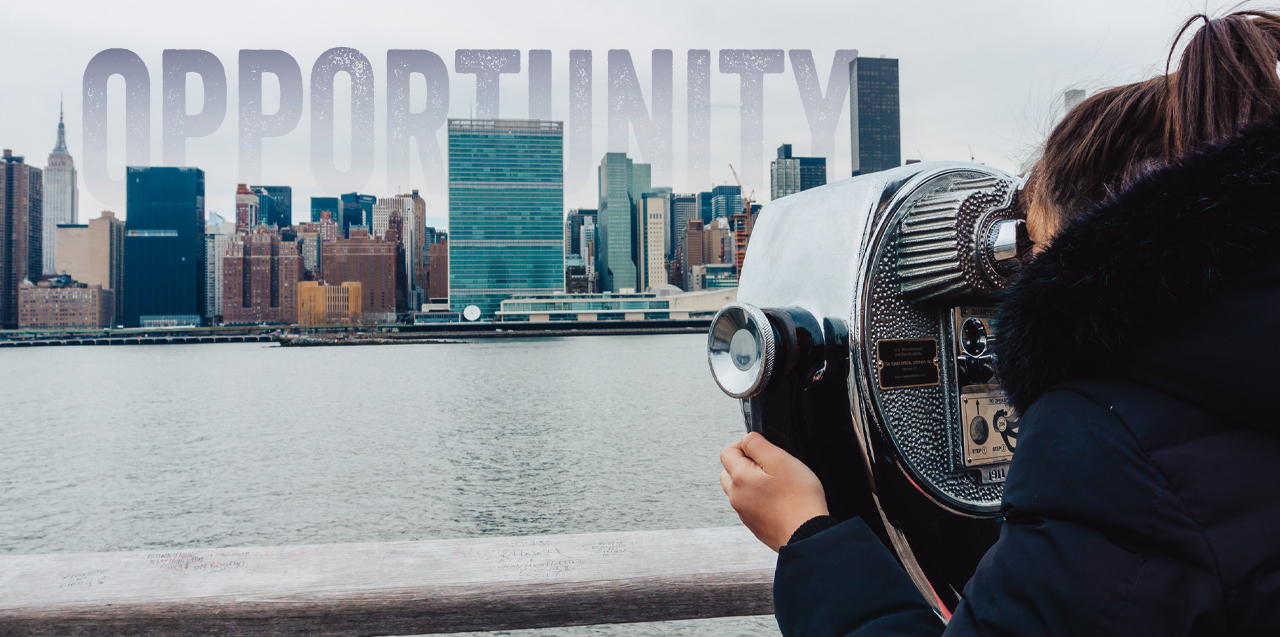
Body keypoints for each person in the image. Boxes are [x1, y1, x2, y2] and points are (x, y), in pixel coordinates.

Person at [719, 11, 1280, 636]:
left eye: (1032, 252)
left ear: (1097, 246)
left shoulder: (1105, 451)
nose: (1014, 293)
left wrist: (807, 536)